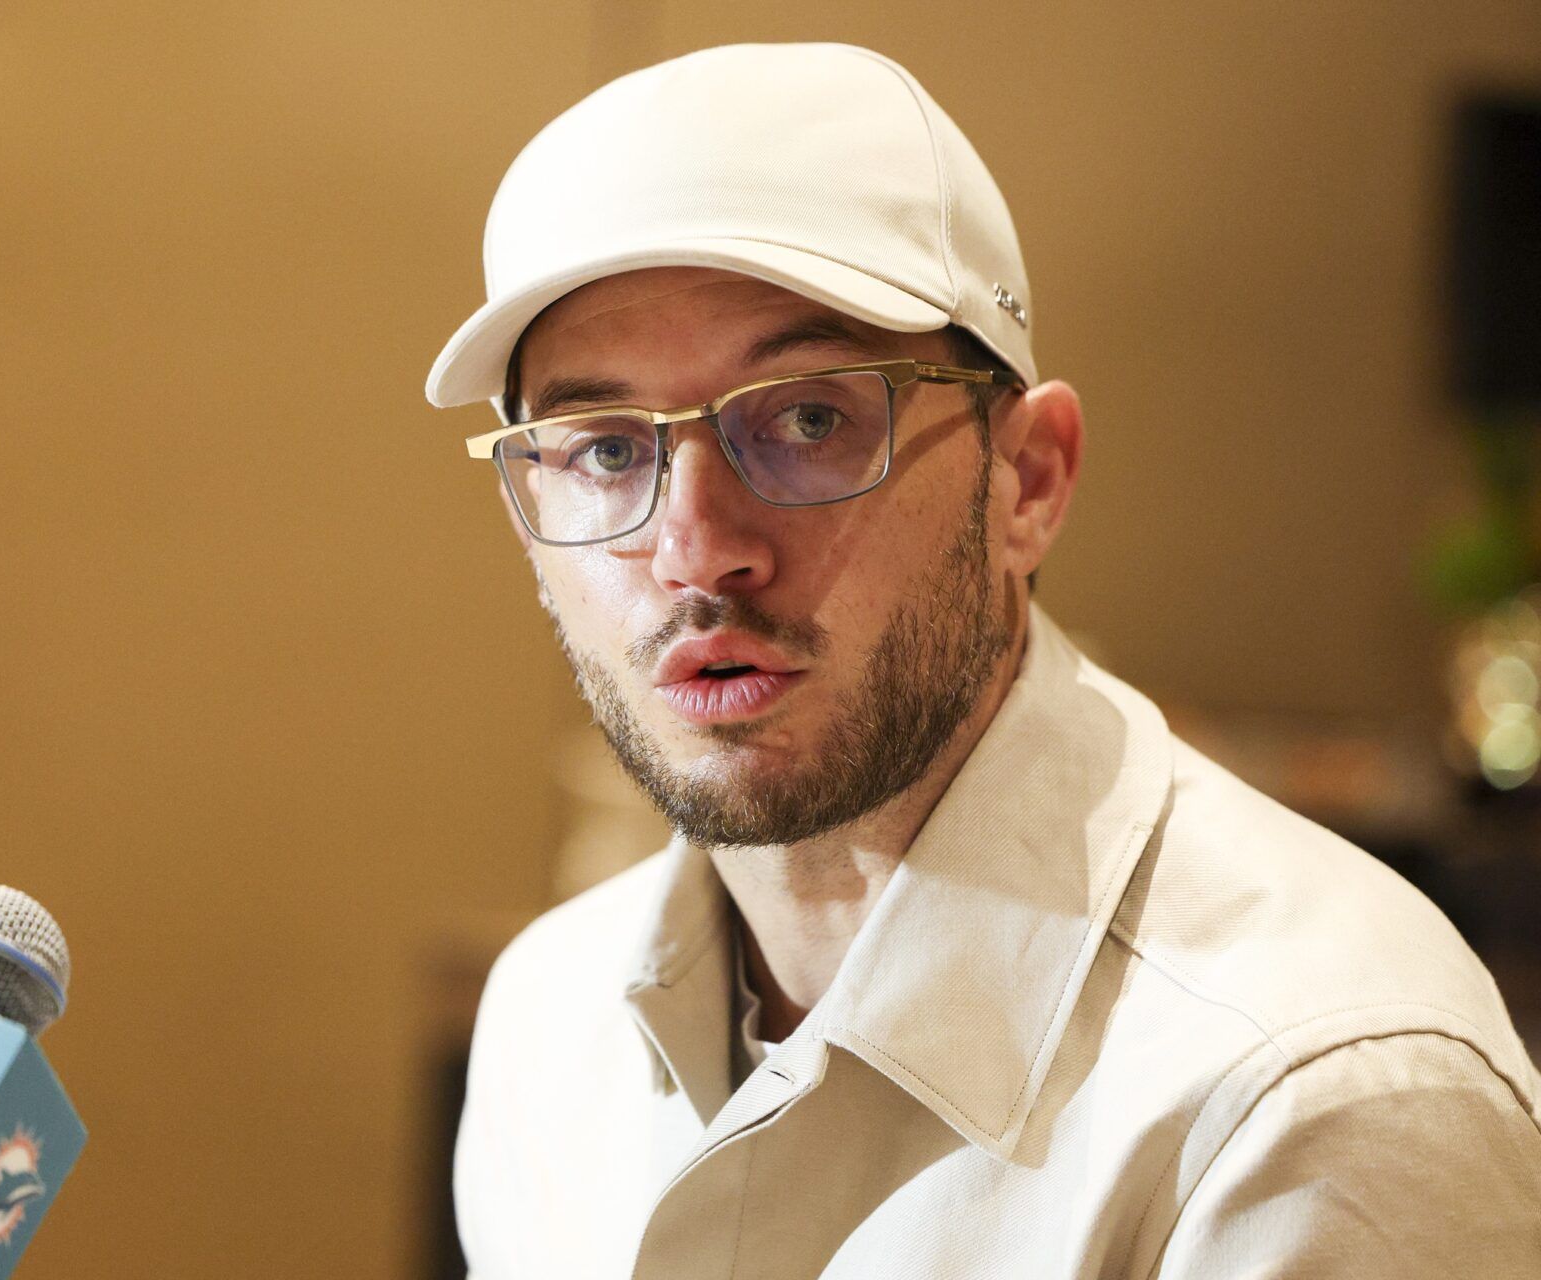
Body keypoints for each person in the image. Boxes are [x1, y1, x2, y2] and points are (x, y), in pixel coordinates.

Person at [423, 42, 1541, 1279]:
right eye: (604, 449)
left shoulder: (1310, 1101)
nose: (696, 550)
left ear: (1030, 478)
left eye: (807, 418)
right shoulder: (549, 1023)